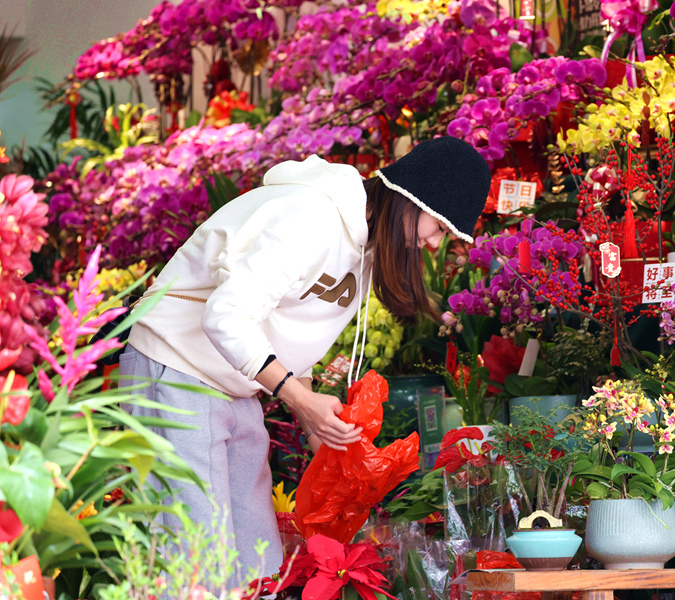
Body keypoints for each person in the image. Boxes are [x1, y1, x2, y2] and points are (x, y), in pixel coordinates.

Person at [119, 136, 491, 584]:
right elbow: (226, 315)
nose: (435, 244)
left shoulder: (362, 245)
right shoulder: (310, 216)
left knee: (260, 565)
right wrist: (297, 397)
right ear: (414, 198)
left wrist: (319, 422)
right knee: (197, 566)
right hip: (176, 369)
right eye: (441, 227)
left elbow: (286, 329)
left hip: (236, 387)